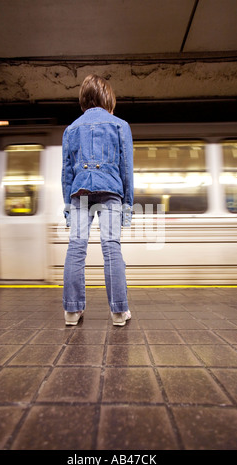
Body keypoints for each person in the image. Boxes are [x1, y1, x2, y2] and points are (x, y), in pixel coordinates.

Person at [61, 74, 134, 327]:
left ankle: (72, 311)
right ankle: (118, 312)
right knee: (111, 246)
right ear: (107, 99)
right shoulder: (120, 125)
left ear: (84, 100)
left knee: (76, 247)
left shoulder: (71, 129)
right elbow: (126, 170)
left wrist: (68, 209)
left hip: (79, 192)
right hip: (111, 190)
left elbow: (66, 173)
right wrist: (127, 206)